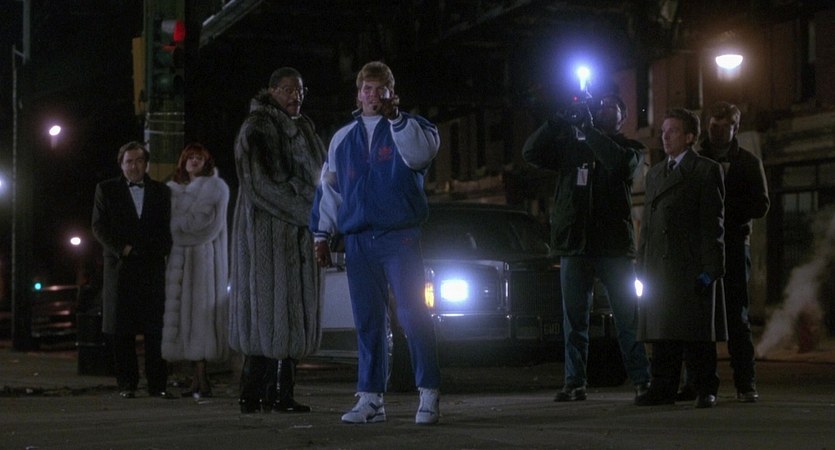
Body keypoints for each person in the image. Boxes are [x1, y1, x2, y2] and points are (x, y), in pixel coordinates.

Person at [310, 61, 442, 425]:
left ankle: (428, 393)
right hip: (358, 239)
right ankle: (370, 399)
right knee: (368, 319)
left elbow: (420, 155)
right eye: (367, 89)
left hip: (399, 235)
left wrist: (396, 118)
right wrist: (321, 234)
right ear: (358, 94)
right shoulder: (342, 138)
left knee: (413, 314)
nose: (372, 96)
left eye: (380, 89)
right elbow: (330, 189)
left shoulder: (414, 127)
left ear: (391, 92)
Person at [522, 94, 651, 402]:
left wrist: (589, 131)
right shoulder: (572, 147)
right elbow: (530, 152)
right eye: (600, 105)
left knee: (627, 318)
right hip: (575, 245)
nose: (604, 109)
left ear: (623, 117)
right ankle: (574, 382)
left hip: (613, 247)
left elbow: (618, 164)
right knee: (574, 321)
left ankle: (642, 379)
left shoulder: (631, 148)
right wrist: (555, 123)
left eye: (612, 106)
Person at [228, 67, 326, 414]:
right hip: (266, 237)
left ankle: (278, 393)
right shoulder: (257, 128)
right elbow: (261, 185)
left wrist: (321, 211)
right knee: (266, 313)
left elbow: (321, 176)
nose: (295, 96)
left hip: (297, 238)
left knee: (289, 314)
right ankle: (254, 393)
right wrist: (308, 210)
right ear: (272, 91)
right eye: (287, 90)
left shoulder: (305, 128)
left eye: (300, 90)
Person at [675, 102, 770, 403]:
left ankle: (745, 383)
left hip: (733, 246)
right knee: (699, 316)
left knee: (736, 316)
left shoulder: (748, 163)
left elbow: (761, 204)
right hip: (701, 248)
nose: (716, 131)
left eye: (722, 126)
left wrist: (725, 213)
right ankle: (701, 384)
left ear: (735, 128)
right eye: (712, 125)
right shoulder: (696, 159)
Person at [635, 108, 727, 408]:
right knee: (662, 332)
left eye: (672, 131)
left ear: (689, 137)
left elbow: (712, 224)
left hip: (689, 264)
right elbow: (648, 225)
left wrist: (711, 269)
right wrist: (641, 264)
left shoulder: (705, 170)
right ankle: (663, 387)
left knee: (696, 332)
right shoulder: (656, 173)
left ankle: (705, 387)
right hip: (659, 265)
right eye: (663, 131)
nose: (665, 137)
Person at [91, 141, 173, 399]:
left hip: (151, 266)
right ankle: (127, 384)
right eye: (129, 161)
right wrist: (122, 248)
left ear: (146, 164)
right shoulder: (106, 189)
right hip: (121, 267)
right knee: (122, 329)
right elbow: (98, 226)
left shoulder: (161, 191)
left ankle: (158, 384)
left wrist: (160, 249)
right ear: (121, 164)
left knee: (155, 329)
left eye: (139, 161)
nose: (134, 166)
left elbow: (167, 226)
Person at [161, 143, 230, 399]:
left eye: (199, 158)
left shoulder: (215, 188)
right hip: (179, 263)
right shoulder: (173, 190)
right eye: (189, 157)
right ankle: (197, 379)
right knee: (184, 319)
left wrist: (176, 227)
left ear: (206, 162)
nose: (193, 161)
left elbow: (204, 225)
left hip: (203, 262)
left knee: (200, 316)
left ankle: (203, 379)